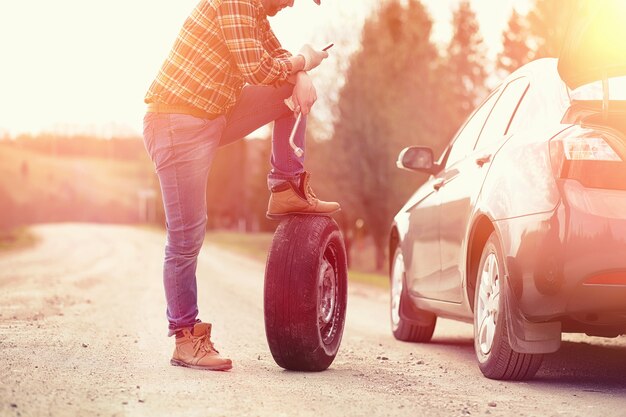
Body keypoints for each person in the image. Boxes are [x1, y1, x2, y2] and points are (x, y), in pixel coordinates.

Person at [142, 0, 340, 372]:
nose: (291, 4)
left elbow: (276, 55)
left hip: (212, 115)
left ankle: (286, 186)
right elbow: (258, 68)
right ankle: (186, 339)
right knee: (187, 236)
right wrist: (303, 62)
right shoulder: (236, 1)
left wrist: (298, 72)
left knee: (287, 90)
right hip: (176, 123)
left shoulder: (255, 13)